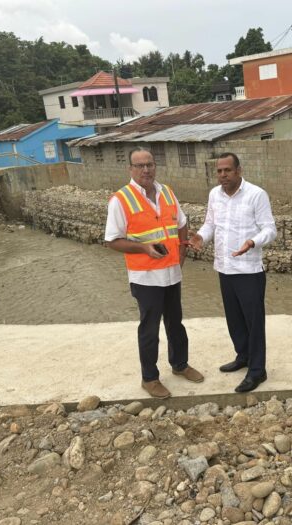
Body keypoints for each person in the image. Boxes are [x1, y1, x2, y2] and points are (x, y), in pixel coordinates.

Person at [104, 147, 204, 399]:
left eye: (149, 164)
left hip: (172, 273)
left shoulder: (166, 192)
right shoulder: (121, 200)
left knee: (175, 323)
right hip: (146, 277)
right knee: (149, 328)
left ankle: (180, 364)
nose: (146, 170)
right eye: (140, 165)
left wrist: (182, 253)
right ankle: (149, 378)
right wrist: (143, 248)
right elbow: (112, 241)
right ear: (130, 169)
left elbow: (182, 224)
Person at [190, 152, 277, 393]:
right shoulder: (214, 195)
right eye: (219, 171)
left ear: (238, 171)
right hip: (224, 268)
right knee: (234, 318)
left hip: (249, 270)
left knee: (253, 322)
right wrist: (201, 237)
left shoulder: (256, 195)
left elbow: (270, 229)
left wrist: (252, 242)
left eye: (227, 170)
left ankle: (257, 370)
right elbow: (210, 224)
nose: (223, 175)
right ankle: (243, 356)